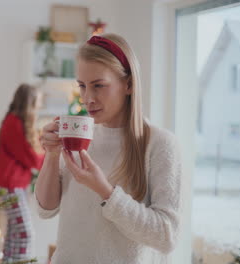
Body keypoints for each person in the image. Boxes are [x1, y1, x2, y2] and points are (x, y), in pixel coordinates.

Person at [35, 34, 182, 263]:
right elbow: (46, 209)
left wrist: (105, 191)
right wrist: (52, 155)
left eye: (98, 86)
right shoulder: (80, 134)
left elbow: (166, 237)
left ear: (129, 84)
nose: (87, 98)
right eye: (82, 86)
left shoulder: (160, 144)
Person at [0, 83, 44, 262]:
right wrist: (50, 156)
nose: (39, 107)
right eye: (37, 103)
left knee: (13, 236)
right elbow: (30, 157)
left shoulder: (14, 122)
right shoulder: (14, 124)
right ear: (29, 103)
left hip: (15, 186)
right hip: (11, 186)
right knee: (25, 234)